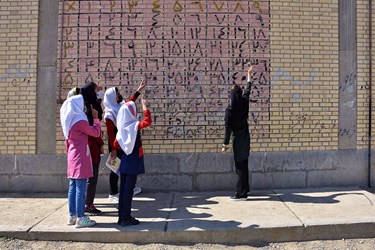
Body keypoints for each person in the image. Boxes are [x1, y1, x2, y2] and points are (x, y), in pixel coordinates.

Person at [60, 94, 101, 228]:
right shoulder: (79, 120)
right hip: (81, 156)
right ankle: (81, 218)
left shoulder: (69, 121)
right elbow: (95, 133)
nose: (84, 106)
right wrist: (96, 119)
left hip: (72, 155)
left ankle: (72, 216)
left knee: (72, 187)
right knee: (80, 188)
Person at [104, 82, 146, 203]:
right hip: (115, 144)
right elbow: (111, 134)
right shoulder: (109, 114)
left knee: (125, 166)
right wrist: (113, 149)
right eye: (117, 94)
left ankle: (129, 187)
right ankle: (113, 192)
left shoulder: (119, 107)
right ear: (112, 98)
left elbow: (129, 101)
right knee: (114, 167)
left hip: (123, 141)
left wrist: (138, 90)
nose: (119, 96)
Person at [112, 98, 152, 226]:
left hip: (124, 162)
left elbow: (116, 144)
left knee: (123, 189)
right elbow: (147, 121)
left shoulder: (122, 128)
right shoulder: (134, 127)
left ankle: (121, 217)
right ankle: (126, 217)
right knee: (129, 191)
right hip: (133, 162)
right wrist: (145, 107)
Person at [222, 66, 254, 201]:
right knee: (244, 164)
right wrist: (249, 75)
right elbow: (248, 89)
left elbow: (227, 129)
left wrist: (225, 144)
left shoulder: (230, 111)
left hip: (238, 140)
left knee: (239, 167)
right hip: (246, 138)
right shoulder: (244, 102)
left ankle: (241, 194)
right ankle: (245, 189)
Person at [80, 82, 105, 215]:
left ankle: (87, 202)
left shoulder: (85, 106)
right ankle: (88, 204)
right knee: (92, 177)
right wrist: (100, 143)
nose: (97, 93)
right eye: (96, 91)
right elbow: (93, 130)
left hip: (89, 146)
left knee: (87, 177)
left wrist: (99, 96)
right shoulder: (90, 109)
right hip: (92, 146)